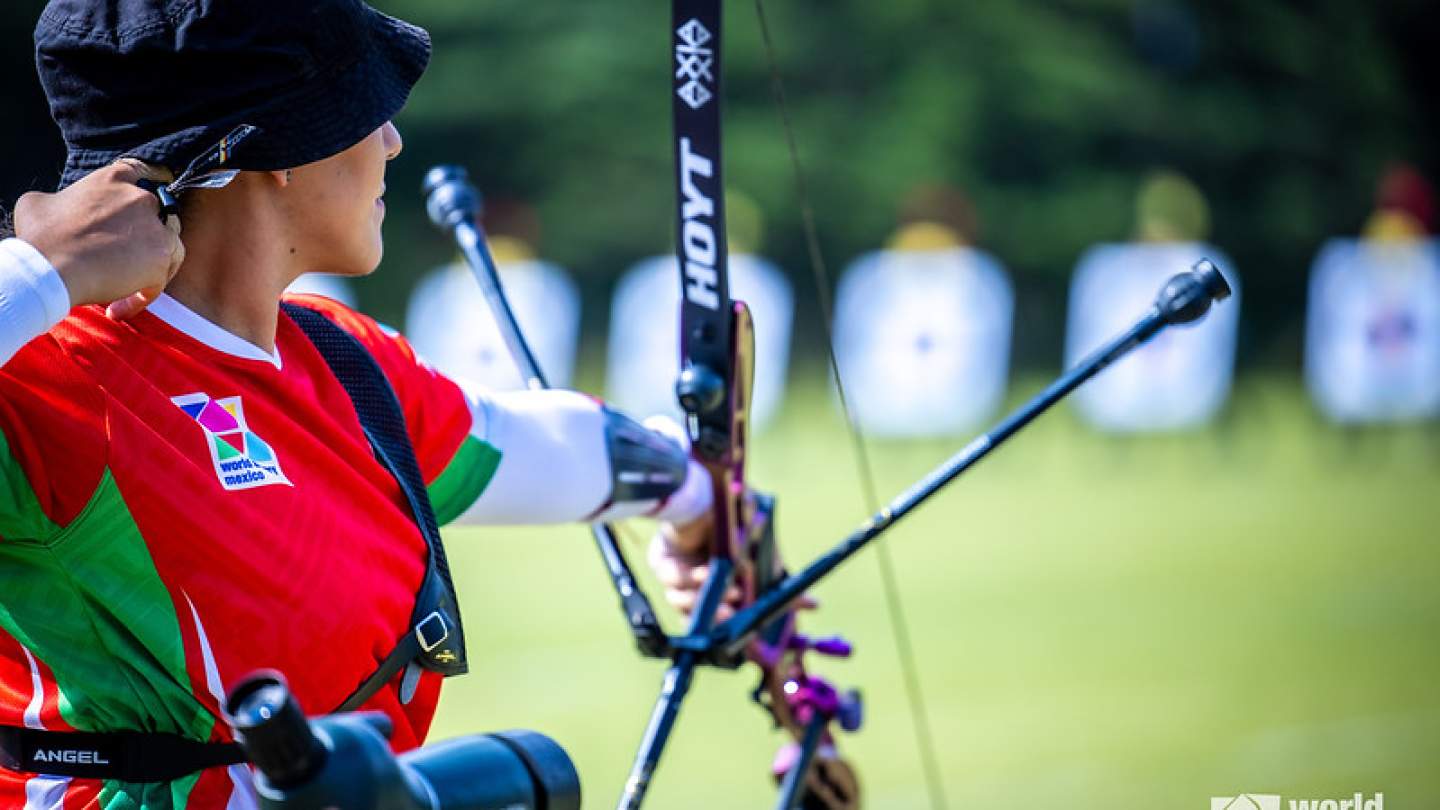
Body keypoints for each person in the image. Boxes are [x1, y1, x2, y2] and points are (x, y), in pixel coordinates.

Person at [0, 0, 720, 806]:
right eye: (366, 112)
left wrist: (704, 495)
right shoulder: (45, 382)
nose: (391, 140)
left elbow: (531, 445)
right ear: (281, 146)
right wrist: (41, 272)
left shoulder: (338, 358)